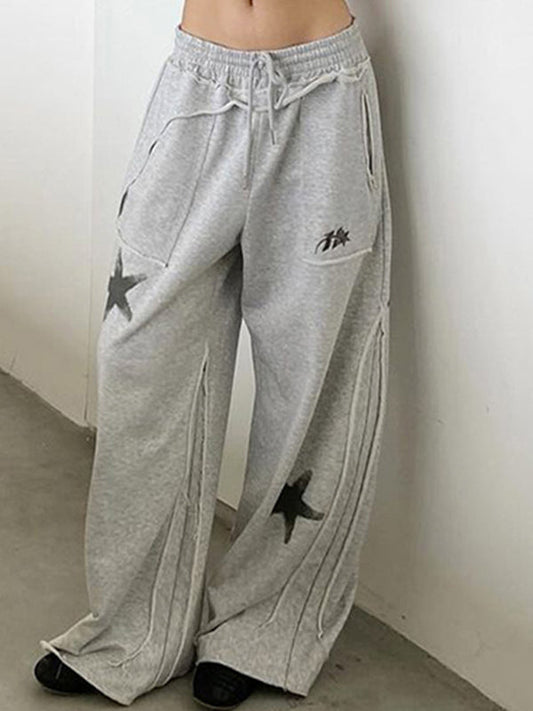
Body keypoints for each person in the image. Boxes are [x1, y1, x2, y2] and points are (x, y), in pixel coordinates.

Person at [33, 0, 392, 708]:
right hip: (199, 87)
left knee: (312, 373)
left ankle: (260, 629)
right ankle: (135, 629)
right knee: (139, 352)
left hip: (323, 95)